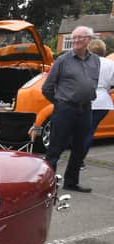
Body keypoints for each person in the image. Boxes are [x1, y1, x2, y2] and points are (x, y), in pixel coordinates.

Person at [42, 26, 99, 193]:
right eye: (74, 38)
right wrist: (60, 103)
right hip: (65, 109)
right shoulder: (63, 60)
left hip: (86, 108)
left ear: (89, 39)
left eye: (80, 38)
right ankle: (47, 185)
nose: (75, 41)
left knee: (79, 148)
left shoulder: (95, 60)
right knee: (55, 148)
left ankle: (71, 182)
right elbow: (47, 87)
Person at [82, 38, 114, 169]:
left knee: (82, 131)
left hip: (85, 100)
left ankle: (77, 160)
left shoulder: (83, 62)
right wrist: (107, 90)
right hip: (103, 102)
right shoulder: (110, 64)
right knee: (90, 131)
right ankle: (80, 160)